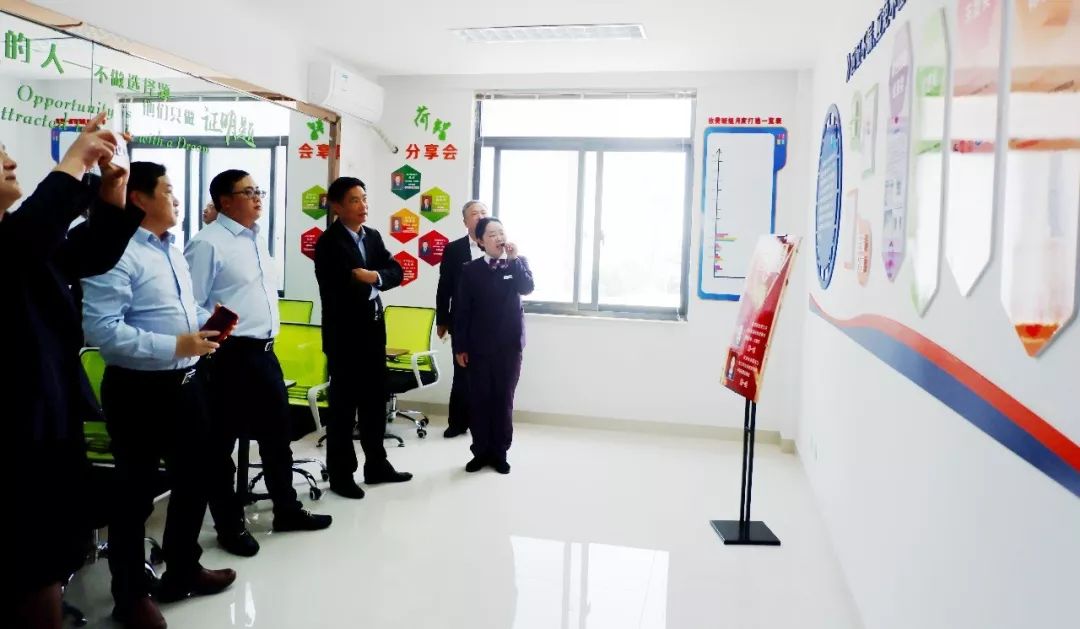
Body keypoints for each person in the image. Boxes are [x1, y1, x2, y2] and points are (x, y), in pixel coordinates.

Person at [2, 112, 144, 629]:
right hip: (16, 433)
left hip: (46, 422)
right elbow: (30, 239)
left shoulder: (21, 241)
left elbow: (82, 255)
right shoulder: (16, 242)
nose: (10, 160)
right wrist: (75, 161)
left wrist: (110, 196)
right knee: (31, 566)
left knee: (45, 559)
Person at [82, 161, 236, 629]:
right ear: (139, 198)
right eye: (168, 190)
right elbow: (103, 332)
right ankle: (129, 595)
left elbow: (179, 309)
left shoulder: (171, 249)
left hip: (186, 385)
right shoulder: (113, 252)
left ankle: (183, 567)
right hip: (138, 391)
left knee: (195, 479)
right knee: (135, 496)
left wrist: (205, 322)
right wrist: (176, 345)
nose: (177, 198)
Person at [186, 169, 331, 558]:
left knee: (277, 436)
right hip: (228, 356)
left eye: (258, 191)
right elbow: (190, 304)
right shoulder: (207, 243)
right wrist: (214, 323)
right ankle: (229, 525)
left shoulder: (254, 239)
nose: (257, 197)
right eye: (248, 192)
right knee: (222, 445)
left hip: (265, 354)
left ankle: (287, 509)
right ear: (225, 201)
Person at [314, 176, 412, 499]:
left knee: (374, 403)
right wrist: (373, 281)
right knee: (343, 410)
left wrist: (374, 277)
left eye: (364, 198)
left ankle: (377, 465)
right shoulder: (329, 243)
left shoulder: (372, 237)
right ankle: (341, 475)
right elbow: (342, 288)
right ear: (337, 206)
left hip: (372, 331)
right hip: (344, 336)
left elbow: (396, 271)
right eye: (354, 200)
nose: (363, 205)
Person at [453, 217, 534, 474]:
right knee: (479, 400)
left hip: (509, 346)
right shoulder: (470, 270)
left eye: (501, 232)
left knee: (503, 400)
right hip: (478, 347)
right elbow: (462, 311)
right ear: (480, 241)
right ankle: (480, 452)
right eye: (492, 234)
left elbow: (527, 287)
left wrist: (514, 259)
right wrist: (460, 347)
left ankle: (500, 452)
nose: (499, 238)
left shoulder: (517, 263)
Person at [435, 200, 489, 438]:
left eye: (484, 212)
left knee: (486, 374)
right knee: (462, 372)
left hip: (489, 323)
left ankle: (483, 423)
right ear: (465, 221)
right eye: (475, 213)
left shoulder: (495, 246)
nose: (480, 216)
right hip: (461, 320)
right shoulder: (454, 249)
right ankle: (457, 423)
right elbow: (444, 286)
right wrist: (442, 319)